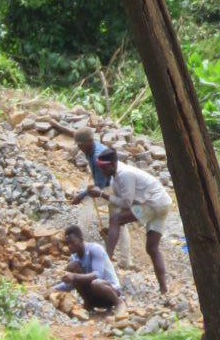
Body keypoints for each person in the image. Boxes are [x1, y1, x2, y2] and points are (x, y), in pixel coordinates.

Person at [89, 149, 173, 294]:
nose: (102, 172)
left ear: (113, 164)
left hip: (154, 203)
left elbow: (126, 204)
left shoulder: (124, 174)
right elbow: (123, 202)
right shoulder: (118, 174)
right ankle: (164, 290)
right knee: (152, 248)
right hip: (163, 203)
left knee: (116, 219)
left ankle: (106, 257)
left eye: (104, 168)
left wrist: (102, 195)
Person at [70, 127, 131, 269]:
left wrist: (81, 196)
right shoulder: (89, 149)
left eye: (80, 145)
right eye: (78, 145)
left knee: (88, 202)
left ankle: (76, 241)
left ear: (89, 142)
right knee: (120, 223)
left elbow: (100, 186)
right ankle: (126, 261)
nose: (79, 148)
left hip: (112, 188)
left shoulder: (98, 156)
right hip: (113, 185)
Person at [54, 225, 122, 311]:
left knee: (96, 283)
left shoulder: (95, 249)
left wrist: (74, 276)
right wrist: (55, 289)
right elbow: (72, 283)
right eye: (68, 244)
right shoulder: (74, 257)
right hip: (95, 298)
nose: (70, 246)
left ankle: (119, 303)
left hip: (111, 293)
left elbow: (98, 275)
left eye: (73, 242)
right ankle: (89, 304)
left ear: (81, 239)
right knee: (72, 266)